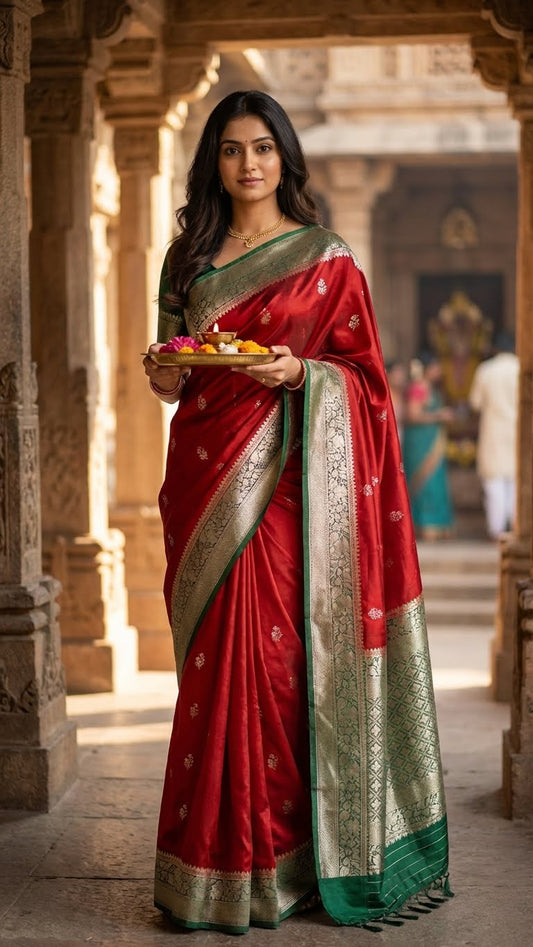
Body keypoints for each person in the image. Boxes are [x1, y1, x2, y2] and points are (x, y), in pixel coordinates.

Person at [143, 90, 450, 933]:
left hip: (288, 487)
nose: (247, 164)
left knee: (280, 667)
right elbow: (175, 368)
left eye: (262, 148)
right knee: (214, 668)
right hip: (204, 479)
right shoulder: (186, 258)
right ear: (213, 162)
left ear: (284, 158)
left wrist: (300, 373)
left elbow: (366, 381)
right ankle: (209, 867)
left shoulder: (326, 258)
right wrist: (164, 374)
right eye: (231, 149)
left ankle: (289, 860)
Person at [468, 331, 519, 539]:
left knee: (494, 483)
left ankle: (497, 531)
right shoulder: (521, 368)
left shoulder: (486, 370)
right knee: (516, 481)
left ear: (495, 349)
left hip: (493, 432)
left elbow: (475, 403)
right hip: (518, 431)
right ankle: (515, 528)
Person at [402, 354, 455, 541]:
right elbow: (412, 415)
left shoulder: (430, 387)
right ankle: (423, 524)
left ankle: (436, 525)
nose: (439, 370)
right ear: (427, 369)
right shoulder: (419, 388)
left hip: (431, 441)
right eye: (436, 366)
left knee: (435, 483)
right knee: (425, 483)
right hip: (420, 443)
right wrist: (439, 416)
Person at [385, 358, 407, 446]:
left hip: (399, 438)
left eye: (402, 373)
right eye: (397, 373)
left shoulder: (402, 394)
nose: (401, 377)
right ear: (388, 374)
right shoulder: (383, 397)